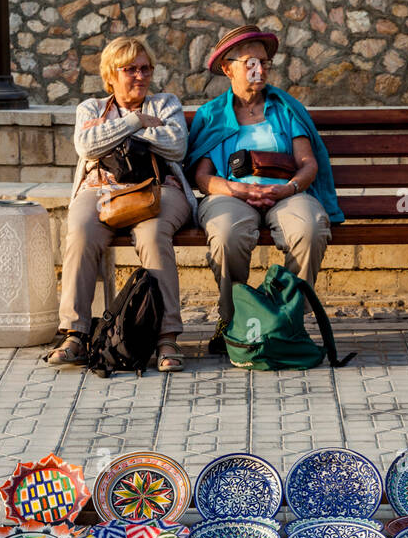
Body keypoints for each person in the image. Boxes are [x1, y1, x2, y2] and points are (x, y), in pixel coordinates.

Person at [188, 24, 345, 351]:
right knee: (226, 234)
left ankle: (288, 319)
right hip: (231, 194)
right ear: (229, 69)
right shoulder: (212, 114)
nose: (259, 70)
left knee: (310, 228)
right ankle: (230, 320)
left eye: (264, 63)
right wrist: (236, 190)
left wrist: (288, 189)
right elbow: (201, 177)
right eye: (250, 63)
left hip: (283, 193)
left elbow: (309, 164)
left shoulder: (286, 108)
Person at [48, 36, 197, 370]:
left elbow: (175, 146)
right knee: (82, 232)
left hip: (159, 189)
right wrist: (135, 122)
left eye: (145, 69)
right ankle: (75, 333)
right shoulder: (89, 108)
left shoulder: (166, 104)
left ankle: (167, 337)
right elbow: (87, 146)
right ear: (110, 75)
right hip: (101, 191)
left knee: (153, 235)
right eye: (130, 69)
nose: (140, 76)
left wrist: (115, 132)